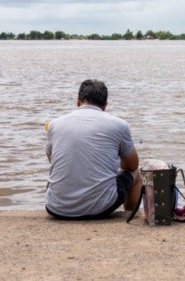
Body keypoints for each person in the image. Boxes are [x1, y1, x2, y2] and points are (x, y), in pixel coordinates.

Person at [45, 79, 142, 219]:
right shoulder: (119, 125)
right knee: (136, 174)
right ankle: (130, 215)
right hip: (100, 208)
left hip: (56, 208)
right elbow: (133, 165)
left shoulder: (55, 124)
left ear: (78, 101)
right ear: (105, 106)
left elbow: (53, 160)